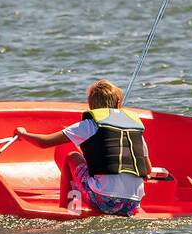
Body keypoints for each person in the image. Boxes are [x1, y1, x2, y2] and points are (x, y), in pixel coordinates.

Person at [15, 79, 149, 216]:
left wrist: (23, 134)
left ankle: (69, 208)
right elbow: (147, 169)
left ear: (91, 105)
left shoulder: (90, 125)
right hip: (133, 204)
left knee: (72, 157)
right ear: (118, 103)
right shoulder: (136, 131)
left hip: (104, 200)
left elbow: (44, 142)